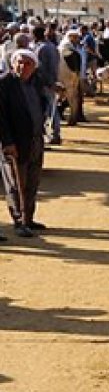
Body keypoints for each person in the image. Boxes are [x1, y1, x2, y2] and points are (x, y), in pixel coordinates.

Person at [0, 49, 45, 238]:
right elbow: (0, 116)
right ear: (12, 63)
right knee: (16, 184)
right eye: (19, 62)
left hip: (35, 140)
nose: (22, 66)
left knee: (32, 182)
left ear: (34, 67)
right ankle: (18, 222)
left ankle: (28, 219)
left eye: (28, 64)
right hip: (14, 143)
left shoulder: (35, 83)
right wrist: (8, 141)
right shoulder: (4, 84)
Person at [33, 26, 60, 146]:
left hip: (44, 83)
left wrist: (47, 83)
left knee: (49, 110)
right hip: (51, 81)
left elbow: (41, 68)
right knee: (51, 109)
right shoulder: (52, 46)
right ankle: (53, 134)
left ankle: (55, 135)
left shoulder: (41, 48)